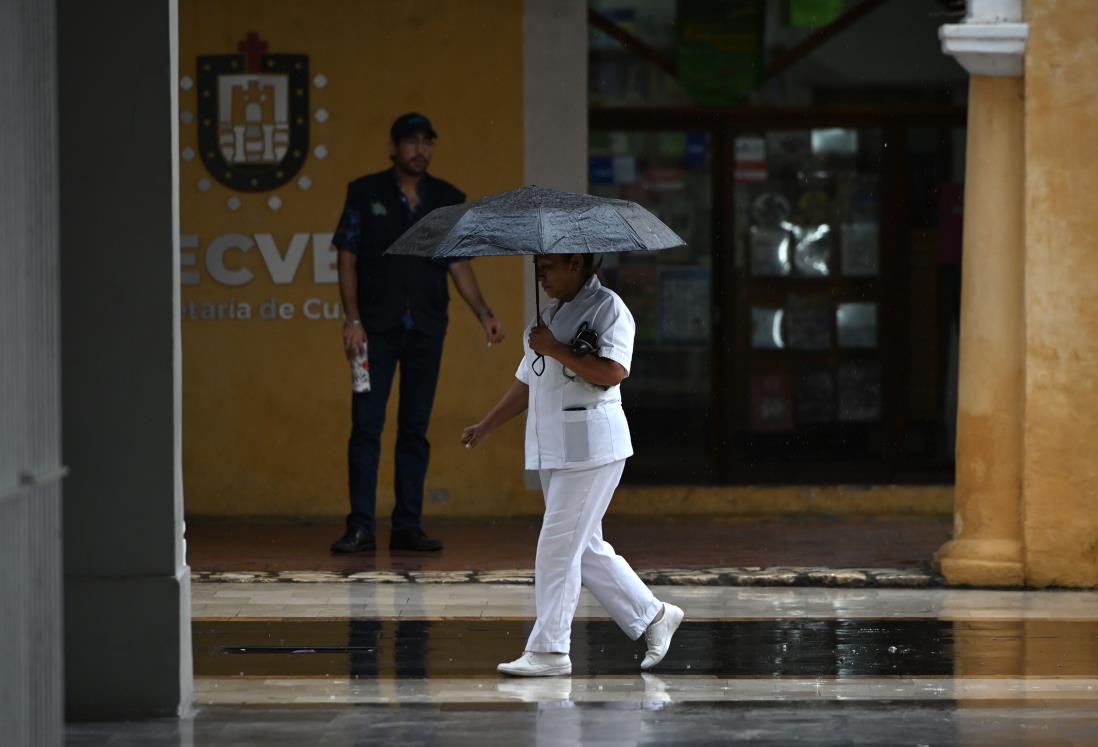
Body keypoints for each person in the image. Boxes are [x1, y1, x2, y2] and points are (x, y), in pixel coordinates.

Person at [462, 253, 684, 676]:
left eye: (549, 266)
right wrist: (486, 425)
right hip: (555, 448)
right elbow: (528, 382)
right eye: (538, 266)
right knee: (584, 548)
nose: (541, 274)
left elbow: (614, 371)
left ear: (578, 263)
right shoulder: (545, 319)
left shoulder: (609, 308)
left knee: (557, 546)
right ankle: (655, 617)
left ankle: (550, 650)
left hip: (592, 448)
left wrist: (557, 350)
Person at [330, 113, 504, 554]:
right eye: (411, 142)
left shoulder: (447, 199)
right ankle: (361, 526)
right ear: (393, 147)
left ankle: (407, 525)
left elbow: (458, 262)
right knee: (367, 427)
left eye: (427, 142)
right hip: (373, 330)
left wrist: (483, 312)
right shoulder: (364, 191)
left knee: (415, 429)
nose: (420, 150)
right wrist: (352, 320)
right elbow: (347, 255)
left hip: (426, 327)